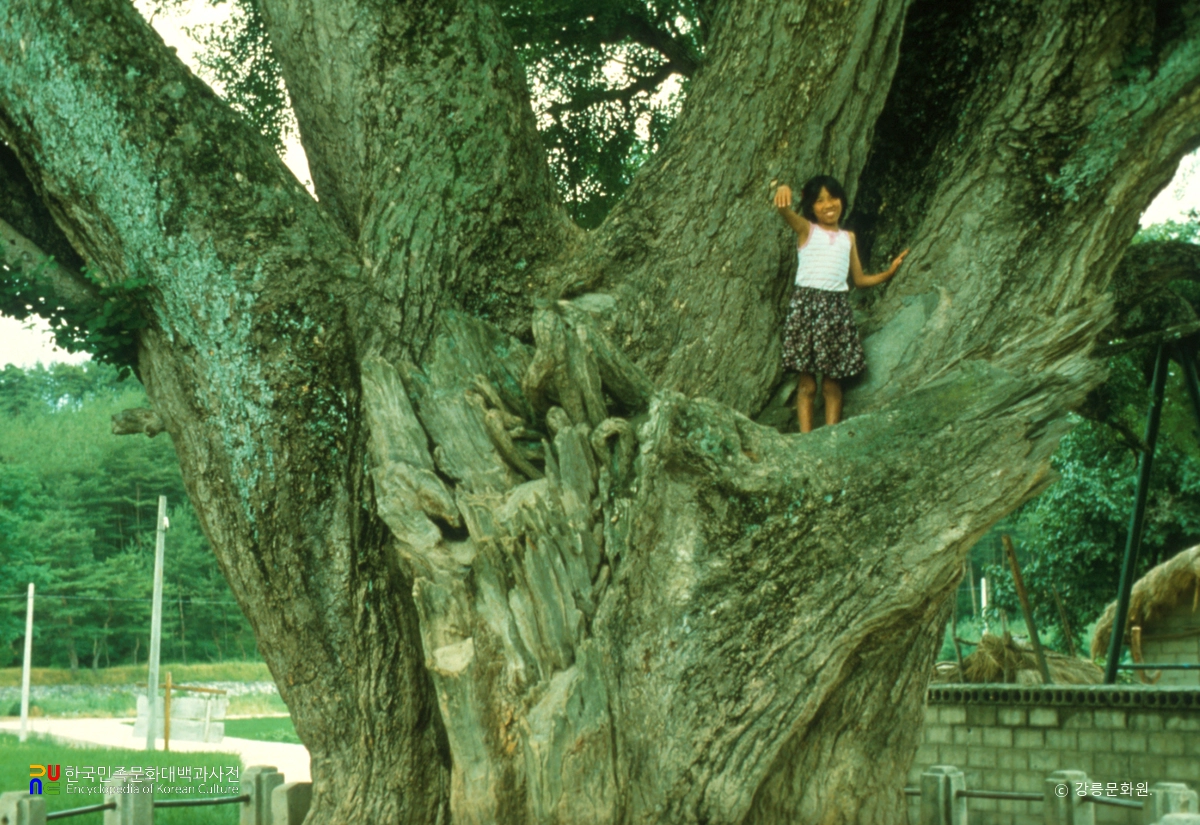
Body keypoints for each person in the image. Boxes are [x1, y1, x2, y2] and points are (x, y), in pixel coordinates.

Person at [773, 175, 908, 432]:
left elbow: (858, 279)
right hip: (807, 309)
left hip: (836, 311)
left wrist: (888, 274)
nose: (828, 205)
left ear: (842, 201)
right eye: (820, 201)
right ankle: (805, 439)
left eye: (833, 198)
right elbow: (783, 210)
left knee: (832, 385)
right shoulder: (807, 230)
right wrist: (782, 188)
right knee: (807, 385)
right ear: (811, 208)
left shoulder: (849, 238)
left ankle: (831, 438)